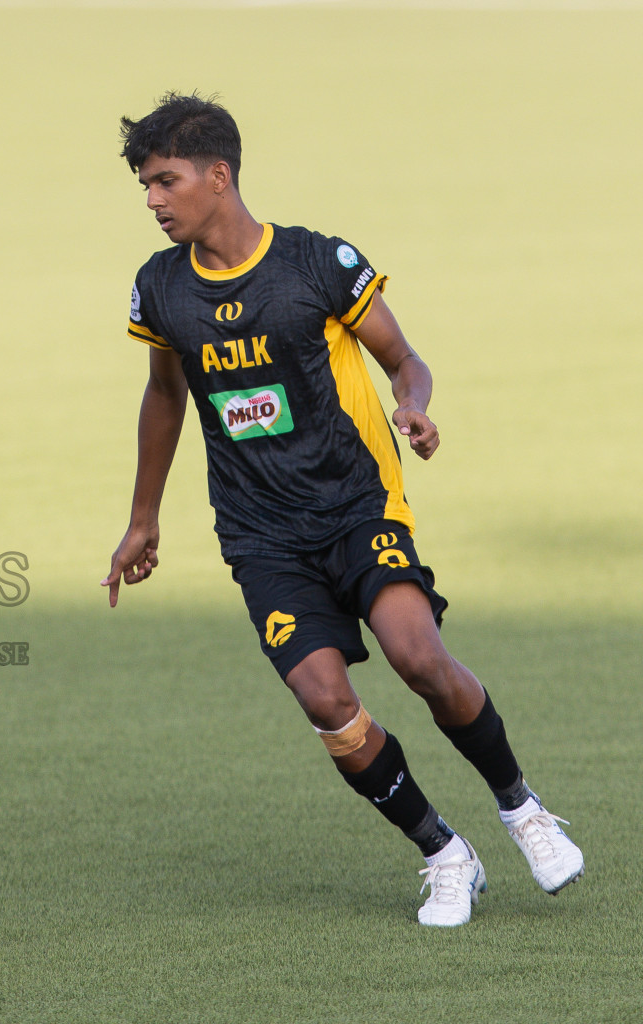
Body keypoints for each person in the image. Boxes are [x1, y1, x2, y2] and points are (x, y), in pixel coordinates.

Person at [101, 93, 583, 927]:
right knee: (326, 701)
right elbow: (163, 398)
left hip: (357, 501)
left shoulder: (316, 262)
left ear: (219, 176)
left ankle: (522, 809)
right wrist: (143, 518)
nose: (152, 200)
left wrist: (416, 405)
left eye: (164, 181)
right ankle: (443, 854)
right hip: (259, 533)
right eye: (145, 184)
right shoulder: (160, 290)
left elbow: (404, 357)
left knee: (417, 656)